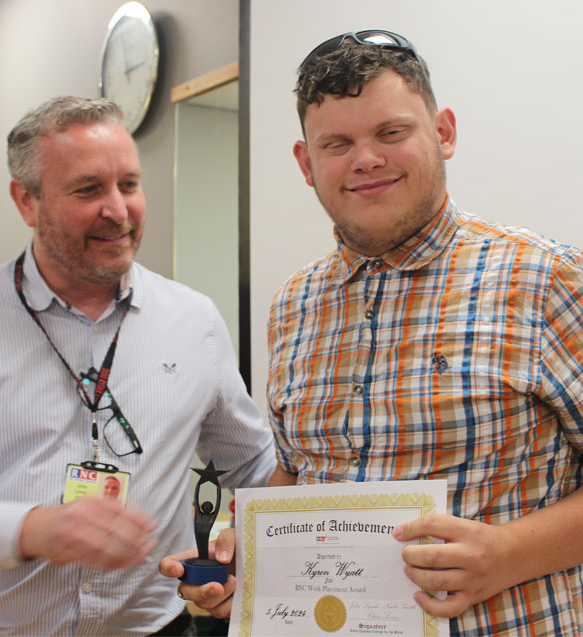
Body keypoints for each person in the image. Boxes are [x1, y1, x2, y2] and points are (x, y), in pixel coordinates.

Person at [160, 30, 583, 636]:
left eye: (391, 132)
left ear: (443, 133)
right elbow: (298, 470)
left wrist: (511, 553)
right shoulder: (294, 304)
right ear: (308, 165)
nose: (366, 159)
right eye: (338, 143)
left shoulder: (546, 278)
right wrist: (248, 555)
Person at [0, 96, 276, 636]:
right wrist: (28, 529)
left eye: (129, 185)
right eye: (88, 189)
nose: (117, 210)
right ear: (26, 201)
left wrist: (244, 538)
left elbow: (256, 465)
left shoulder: (194, 320)